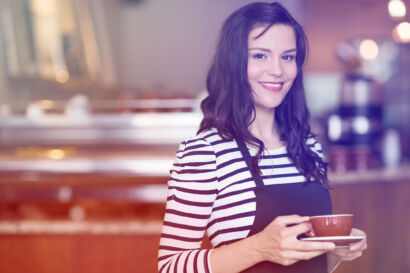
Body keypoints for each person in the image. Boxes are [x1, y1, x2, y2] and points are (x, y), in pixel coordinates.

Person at [158, 2, 367, 273]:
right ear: (234, 62)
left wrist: (335, 248)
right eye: (260, 56)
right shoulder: (205, 152)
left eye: (288, 57)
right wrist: (258, 248)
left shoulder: (307, 146)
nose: (277, 70)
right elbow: (169, 266)